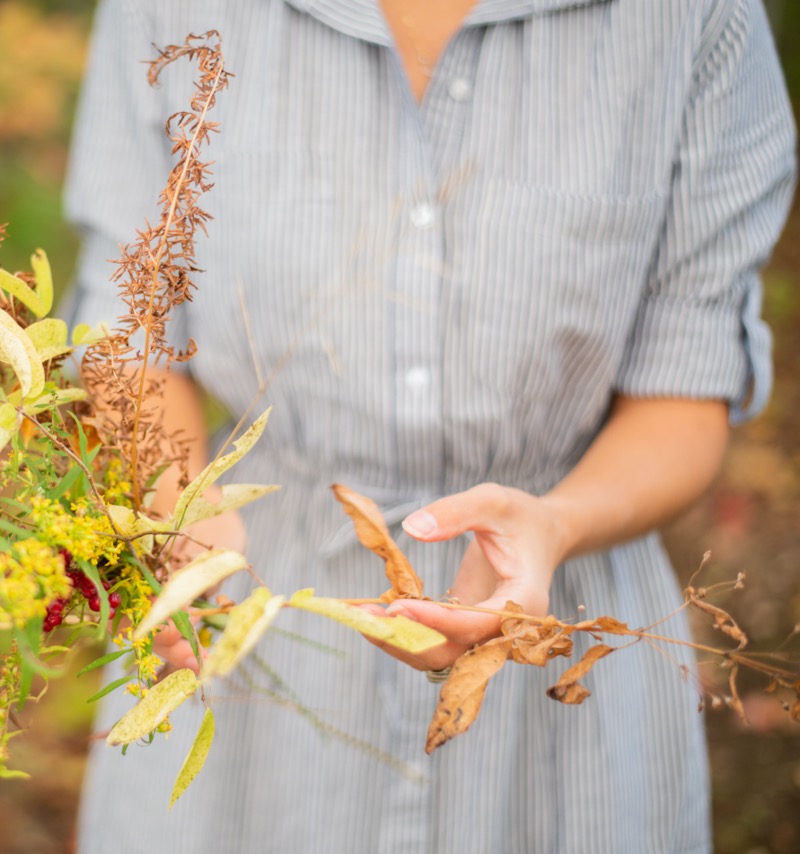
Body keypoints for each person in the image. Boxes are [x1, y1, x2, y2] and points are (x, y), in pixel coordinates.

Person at [62, 1, 796, 851]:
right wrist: (180, 501)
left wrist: (553, 526)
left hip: (553, 629)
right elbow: (127, 339)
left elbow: (682, 398)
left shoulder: (694, 19)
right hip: (255, 612)